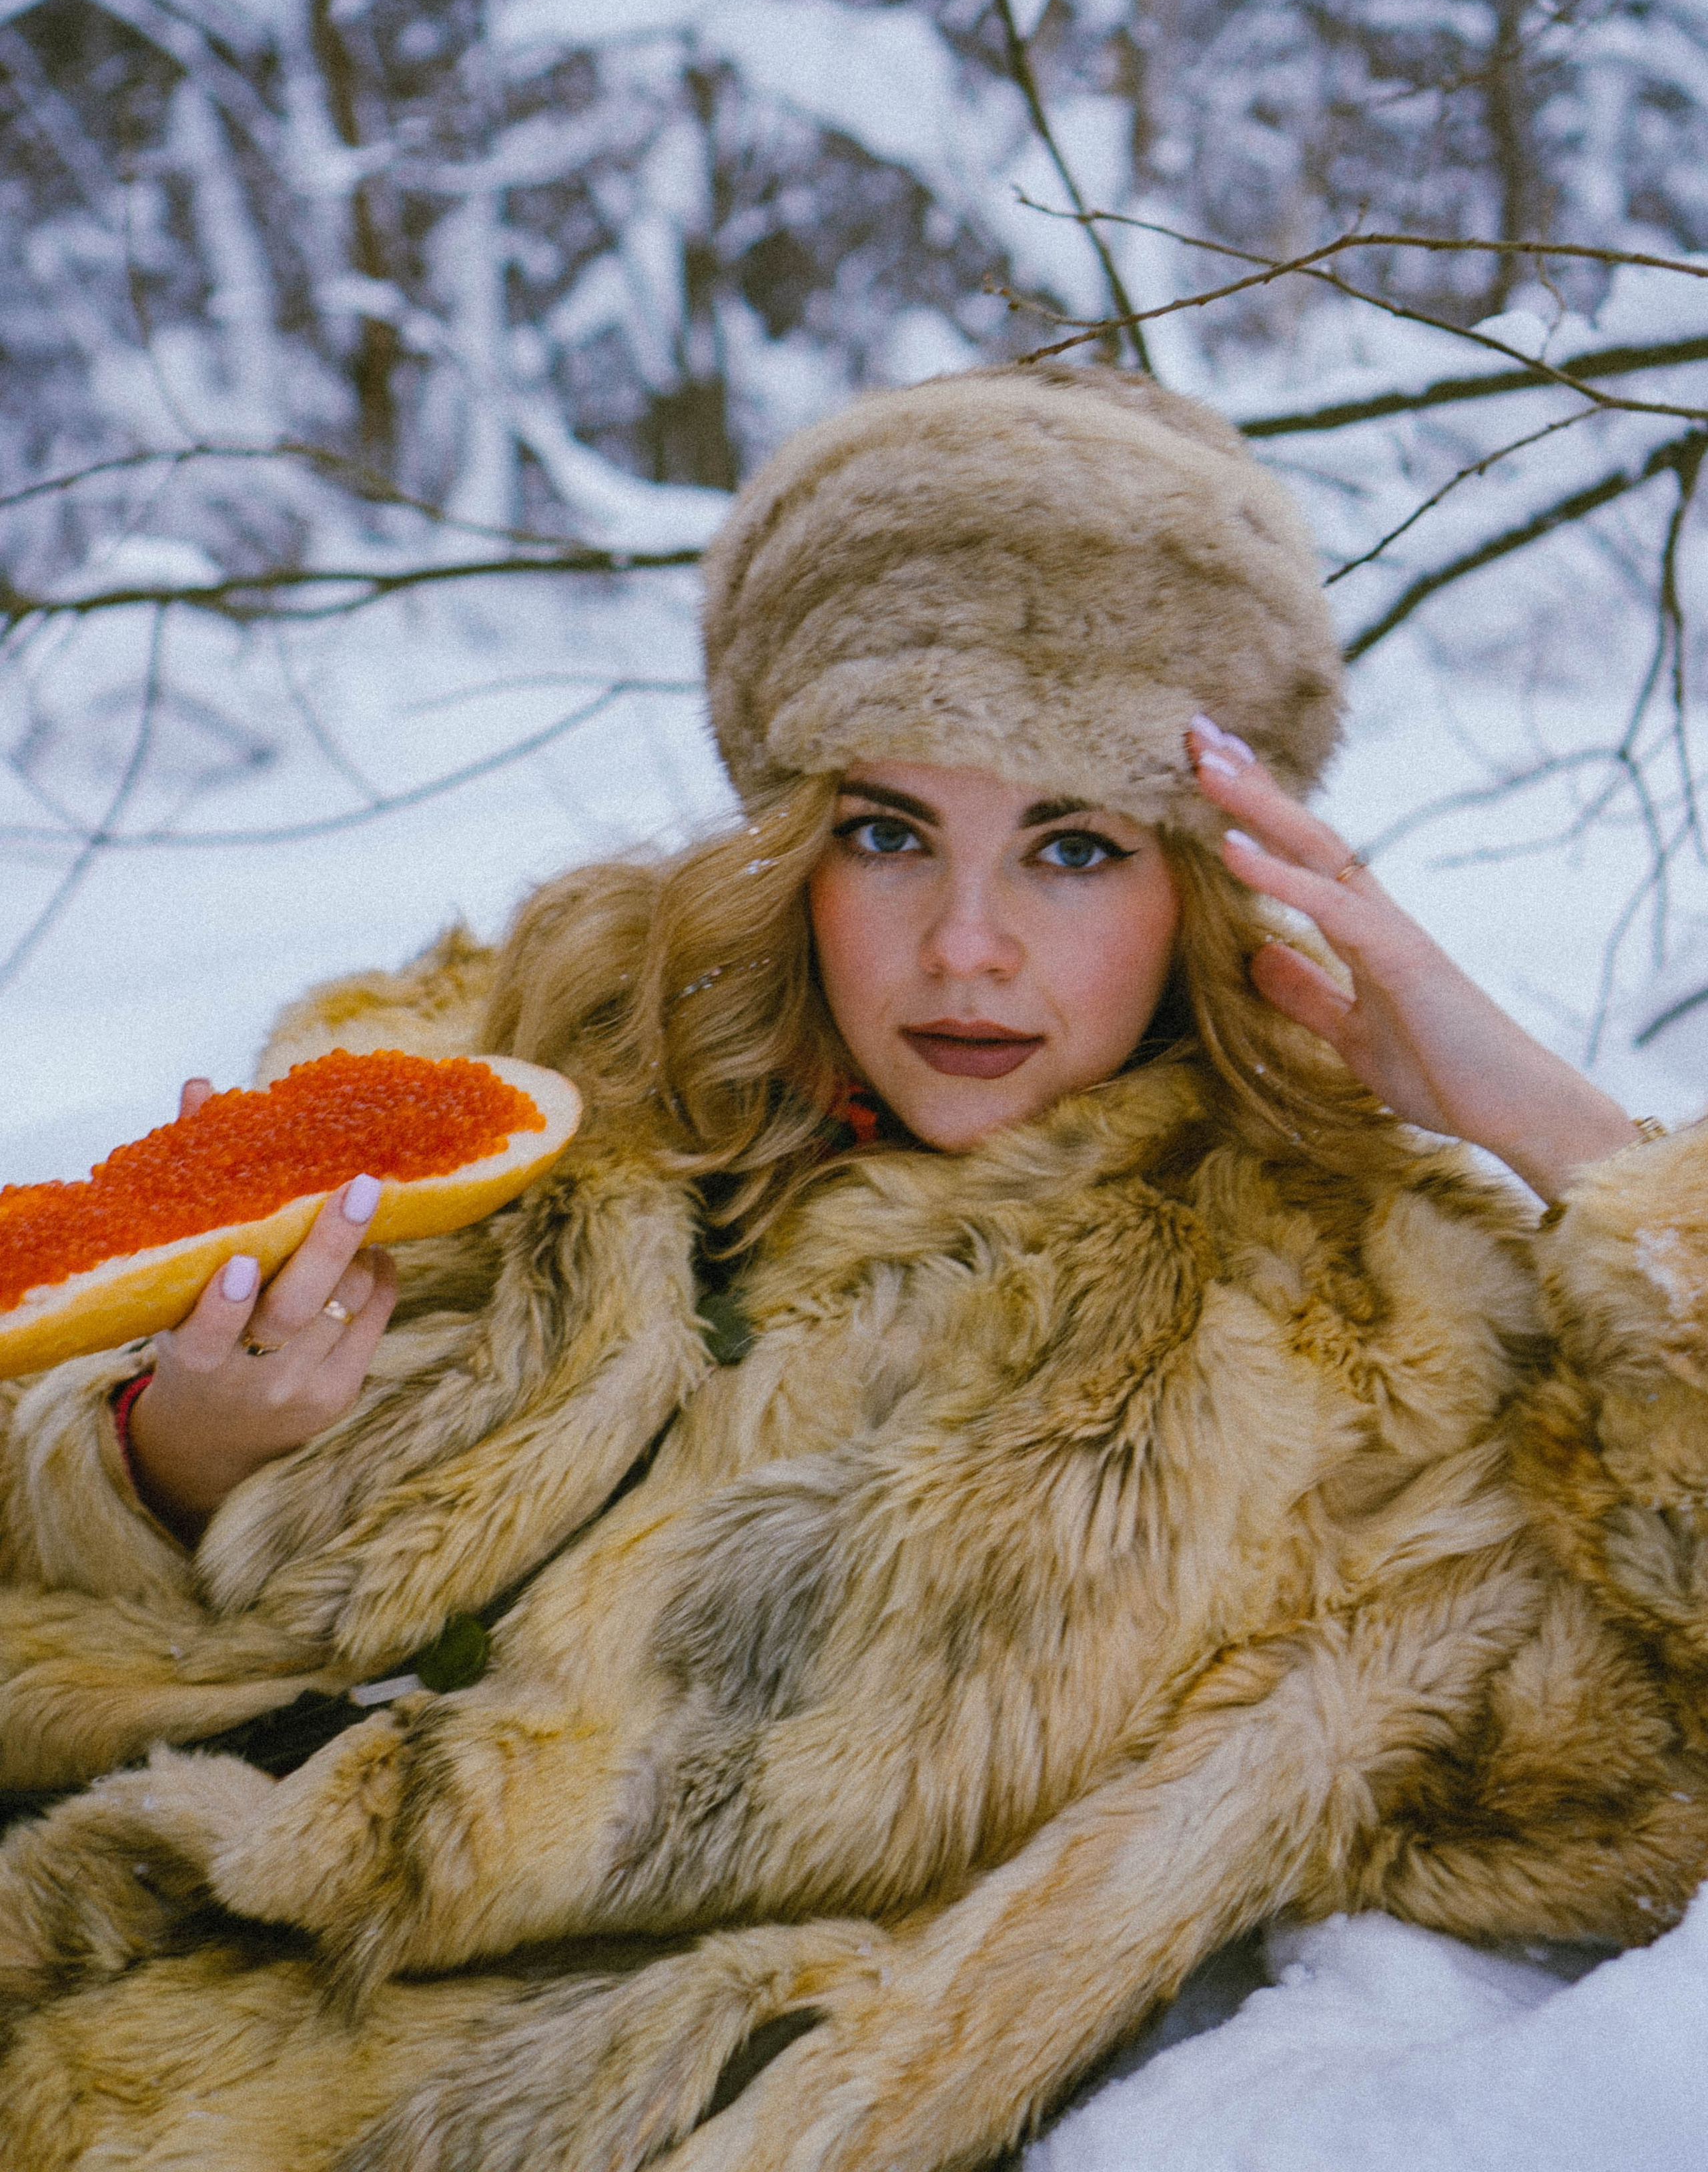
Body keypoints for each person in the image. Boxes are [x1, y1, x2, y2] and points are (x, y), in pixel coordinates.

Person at [1, 364, 1704, 2172]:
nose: (966, 949)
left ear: (1207, 875)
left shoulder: (1354, 1323)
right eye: (890, 833)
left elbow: (1640, 1782)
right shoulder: (515, 1072)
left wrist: (1569, 1139)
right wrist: (158, 1465)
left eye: (1074, 847)